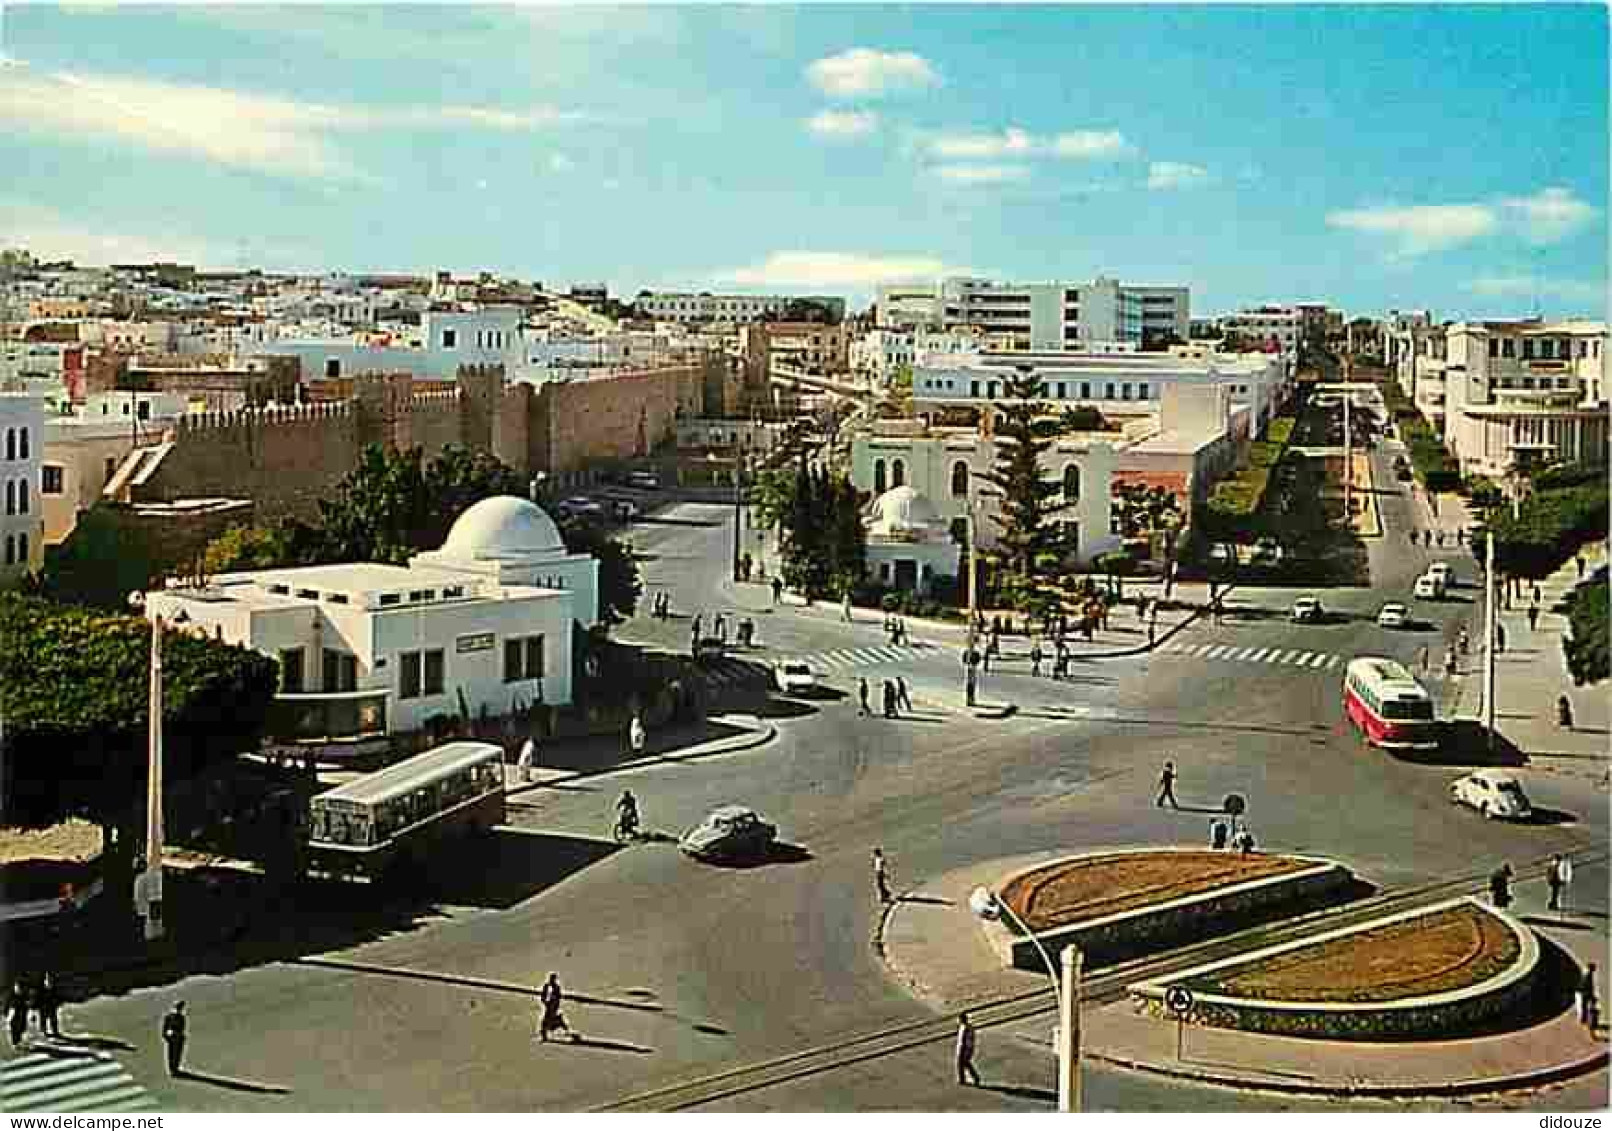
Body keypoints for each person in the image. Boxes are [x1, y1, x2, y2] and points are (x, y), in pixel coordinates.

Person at [538, 974, 575, 1043]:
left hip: (553, 1007)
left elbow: (558, 998)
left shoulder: (557, 987)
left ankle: (570, 1033)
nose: (552, 980)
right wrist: (545, 1002)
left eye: (553, 979)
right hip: (548, 1006)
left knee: (557, 1021)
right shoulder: (546, 986)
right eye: (551, 978)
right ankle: (544, 1036)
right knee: (545, 1022)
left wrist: (554, 1005)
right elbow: (543, 996)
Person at [955, 1012, 981, 1086]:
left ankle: (968, 1078)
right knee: (964, 1063)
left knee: (962, 1063)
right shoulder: (963, 1027)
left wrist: (967, 1049)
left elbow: (966, 1039)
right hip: (963, 1047)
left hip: (965, 1048)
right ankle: (964, 1079)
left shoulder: (967, 1028)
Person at [161, 1001, 187, 1075]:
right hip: (174, 1037)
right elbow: (165, 1028)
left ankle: (174, 1068)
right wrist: (166, 1036)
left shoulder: (180, 1017)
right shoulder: (172, 1017)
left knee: (176, 1053)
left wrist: (165, 1036)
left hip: (176, 1037)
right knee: (173, 1053)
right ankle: (173, 1069)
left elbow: (182, 1028)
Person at [35, 973, 60, 1039]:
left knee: (53, 1018)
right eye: (48, 979)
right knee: (43, 1019)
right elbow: (38, 998)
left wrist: (55, 1003)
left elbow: (56, 997)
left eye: (51, 979)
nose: (50, 981)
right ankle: (44, 1031)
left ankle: (55, 1031)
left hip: (51, 1006)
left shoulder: (53, 988)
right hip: (43, 1007)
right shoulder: (41, 989)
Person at [1579, 964, 1600, 1033]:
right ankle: (1590, 1022)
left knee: (1585, 1007)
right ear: (1591, 968)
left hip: (1585, 993)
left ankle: (1584, 1020)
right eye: (1594, 968)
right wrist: (1592, 995)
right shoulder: (1588, 975)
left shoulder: (1587, 974)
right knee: (1588, 1007)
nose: (1595, 969)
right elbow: (1588, 986)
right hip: (1586, 994)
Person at [7, 981, 28, 1048]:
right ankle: (15, 1043)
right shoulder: (14, 998)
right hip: (15, 1019)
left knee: (20, 1030)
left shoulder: (21, 998)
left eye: (17, 988)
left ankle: (17, 1042)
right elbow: (12, 1010)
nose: (16, 989)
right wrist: (9, 1019)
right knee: (15, 1031)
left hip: (20, 1018)